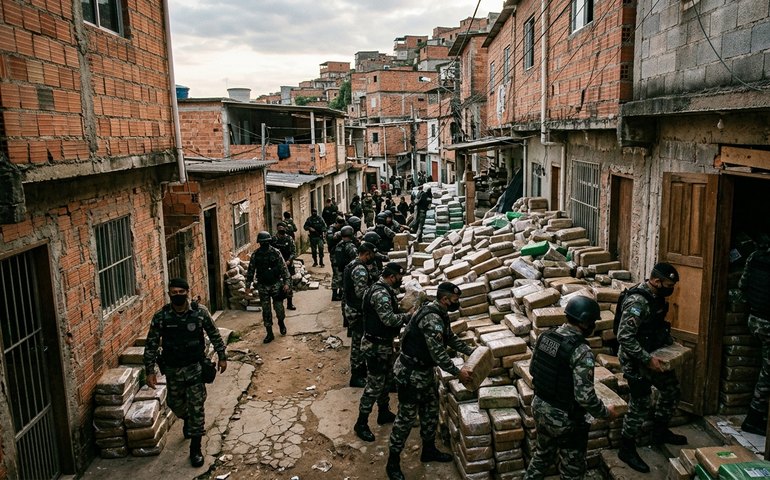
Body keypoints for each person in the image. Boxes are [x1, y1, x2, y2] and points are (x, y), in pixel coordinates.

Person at [386, 282, 475, 480]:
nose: (456, 303)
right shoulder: (432, 318)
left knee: (431, 412)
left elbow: (449, 338)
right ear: (445, 299)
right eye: (454, 300)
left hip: (424, 373)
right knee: (405, 420)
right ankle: (392, 462)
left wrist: (471, 351)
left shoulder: (440, 312)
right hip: (411, 374)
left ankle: (428, 450)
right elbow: (438, 355)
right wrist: (458, 372)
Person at [525, 296, 618, 479]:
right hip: (565, 419)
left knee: (543, 455)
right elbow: (585, 397)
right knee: (572, 470)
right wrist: (606, 413)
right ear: (584, 322)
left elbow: (533, 369)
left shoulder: (546, 336)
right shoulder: (581, 350)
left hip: (540, 407)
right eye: (592, 322)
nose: (593, 326)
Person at [143, 278, 227, 468]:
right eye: (174, 292)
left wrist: (222, 355)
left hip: (195, 368)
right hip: (173, 370)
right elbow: (151, 344)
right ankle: (188, 420)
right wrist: (150, 371)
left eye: (182, 292)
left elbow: (214, 333)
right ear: (169, 294)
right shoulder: (161, 317)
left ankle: (195, 449)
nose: (178, 295)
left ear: (187, 292)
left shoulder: (199, 312)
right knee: (175, 403)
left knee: (197, 407)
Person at [617, 262, 686, 473]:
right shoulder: (638, 302)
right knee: (641, 403)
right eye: (668, 284)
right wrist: (647, 360)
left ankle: (660, 431)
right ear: (656, 281)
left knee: (671, 390)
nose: (671, 288)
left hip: (652, 354)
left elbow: (653, 327)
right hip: (635, 359)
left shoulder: (656, 297)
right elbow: (624, 337)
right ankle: (626, 448)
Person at [354, 263, 413, 442]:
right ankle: (361, 423)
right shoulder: (380, 293)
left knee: (386, 380)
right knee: (374, 386)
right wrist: (407, 317)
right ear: (392, 277)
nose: (400, 282)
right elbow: (388, 319)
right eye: (399, 278)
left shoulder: (383, 289)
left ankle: (384, 412)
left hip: (383, 344)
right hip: (375, 347)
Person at [740, 243, 770, 435]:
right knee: (768, 373)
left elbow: (742, 286)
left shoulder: (756, 256)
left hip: (754, 318)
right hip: (768, 322)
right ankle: (753, 418)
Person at [343, 242, 379, 387]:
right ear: (366, 254)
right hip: (357, 312)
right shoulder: (360, 269)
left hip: (352, 309)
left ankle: (360, 371)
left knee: (359, 341)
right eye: (372, 255)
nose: (373, 258)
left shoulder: (352, 264)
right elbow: (361, 293)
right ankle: (356, 376)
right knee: (358, 343)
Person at [245, 231, 291, 343]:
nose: (264, 244)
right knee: (266, 311)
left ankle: (281, 322)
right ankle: (269, 333)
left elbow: (284, 269)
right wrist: (248, 286)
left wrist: (286, 283)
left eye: (265, 242)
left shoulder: (276, 253)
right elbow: (250, 271)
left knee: (279, 308)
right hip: (262, 285)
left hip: (276, 284)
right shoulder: (256, 255)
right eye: (262, 242)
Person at [272, 223, 297, 310]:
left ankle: (290, 304)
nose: (281, 231)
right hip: (277, 266)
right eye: (279, 229)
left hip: (288, 265)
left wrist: (289, 260)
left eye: (282, 229)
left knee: (289, 284)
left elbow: (293, 252)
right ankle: (278, 304)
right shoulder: (274, 239)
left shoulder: (289, 239)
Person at [332, 225, 358, 305]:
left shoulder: (340, 243)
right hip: (345, 266)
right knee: (344, 282)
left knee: (336, 279)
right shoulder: (349, 245)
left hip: (338, 264)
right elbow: (355, 257)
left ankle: (335, 294)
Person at [327, 216, 346, 300]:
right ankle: (334, 295)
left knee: (341, 273)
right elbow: (331, 238)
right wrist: (338, 235)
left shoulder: (341, 228)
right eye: (340, 224)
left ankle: (340, 293)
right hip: (334, 254)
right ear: (336, 223)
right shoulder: (331, 230)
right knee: (337, 274)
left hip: (340, 254)